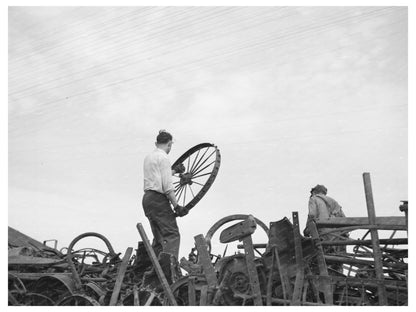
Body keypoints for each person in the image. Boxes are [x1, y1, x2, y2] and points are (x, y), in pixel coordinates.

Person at [142, 130, 189, 262]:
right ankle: (170, 271)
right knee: (172, 234)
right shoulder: (164, 158)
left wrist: (174, 171)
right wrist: (176, 206)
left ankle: (155, 272)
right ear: (169, 144)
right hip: (158, 199)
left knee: (159, 239)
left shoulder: (149, 157)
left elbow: (157, 175)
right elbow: (167, 186)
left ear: (156, 143)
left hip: (147, 199)